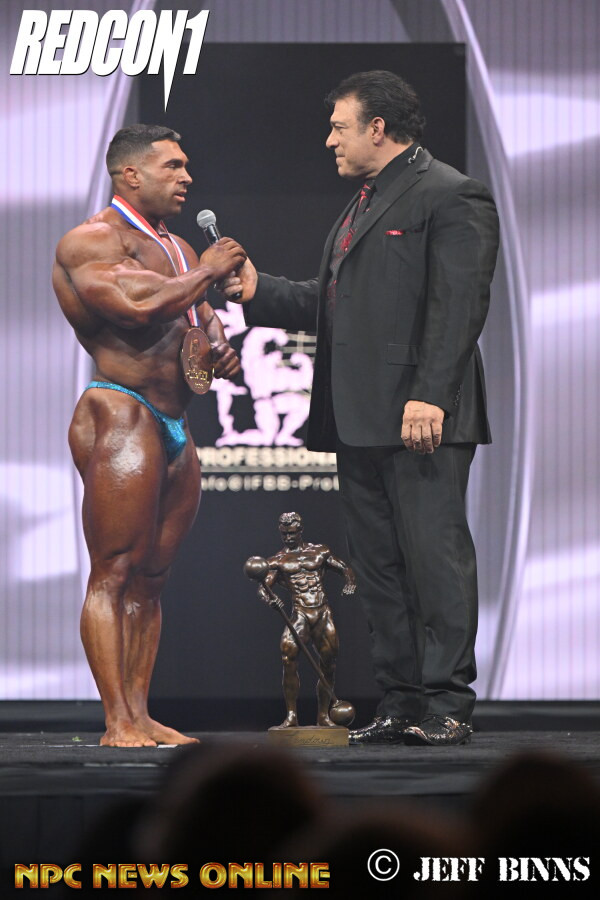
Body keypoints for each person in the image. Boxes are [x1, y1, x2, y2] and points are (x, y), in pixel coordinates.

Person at [223, 71, 499, 745]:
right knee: (377, 568)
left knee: (434, 560)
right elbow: (332, 302)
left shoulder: (451, 193)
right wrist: (260, 291)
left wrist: (429, 395)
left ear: (378, 128)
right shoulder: (364, 202)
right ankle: (402, 700)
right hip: (359, 418)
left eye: (339, 127)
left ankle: (448, 703)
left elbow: (459, 307)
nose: (329, 140)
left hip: (420, 416)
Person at [53, 124, 247, 747]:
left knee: (152, 578)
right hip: (121, 410)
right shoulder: (90, 240)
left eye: (186, 166)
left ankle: (140, 713)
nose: (187, 177)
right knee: (114, 571)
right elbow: (135, 308)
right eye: (173, 166)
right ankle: (116, 720)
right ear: (131, 174)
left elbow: (198, 314)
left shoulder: (179, 248)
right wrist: (207, 270)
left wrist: (218, 346)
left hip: (174, 421)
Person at [257, 512, 356, 728]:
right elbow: (263, 587)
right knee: (288, 657)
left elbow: (344, 568)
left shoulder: (319, 551)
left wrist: (349, 582)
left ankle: (323, 716)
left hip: (322, 612)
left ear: (300, 531)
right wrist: (270, 600)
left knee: (328, 663)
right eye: (284, 534)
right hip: (300, 613)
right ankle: (291, 716)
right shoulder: (278, 561)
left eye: (292, 533)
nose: (288, 538)